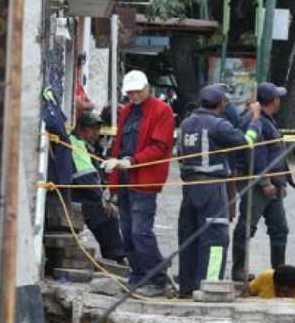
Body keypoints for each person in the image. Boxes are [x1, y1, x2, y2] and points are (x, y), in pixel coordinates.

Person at [103, 70, 176, 297]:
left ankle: (156, 279)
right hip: (125, 177)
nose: (133, 96)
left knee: (140, 231)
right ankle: (137, 275)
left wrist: (131, 161)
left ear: (147, 88)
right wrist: (113, 185)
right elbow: (119, 145)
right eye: (130, 93)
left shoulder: (162, 111)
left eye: (137, 92)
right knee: (127, 229)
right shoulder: (126, 112)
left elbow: (160, 147)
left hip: (143, 180)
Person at [175, 86, 249, 298]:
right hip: (212, 188)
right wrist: (253, 121)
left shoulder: (186, 123)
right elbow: (245, 142)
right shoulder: (219, 124)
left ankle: (187, 288)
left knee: (189, 237)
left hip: (189, 189)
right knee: (216, 238)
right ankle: (210, 286)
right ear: (221, 104)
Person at [231, 82, 294, 282]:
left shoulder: (267, 120)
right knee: (247, 226)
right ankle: (238, 270)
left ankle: (280, 272)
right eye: (278, 98)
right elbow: (255, 154)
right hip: (258, 184)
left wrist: (282, 182)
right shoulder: (254, 120)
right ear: (273, 100)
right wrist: (265, 182)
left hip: (274, 184)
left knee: (280, 228)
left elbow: (276, 154)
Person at [68, 111, 126, 263]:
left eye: (97, 129)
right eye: (91, 128)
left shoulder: (89, 146)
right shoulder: (76, 143)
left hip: (81, 193)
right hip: (76, 195)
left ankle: (117, 255)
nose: (95, 133)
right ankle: (116, 257)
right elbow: (86, 178)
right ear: (80, 128)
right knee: (108, 215)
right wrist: (103, 199)